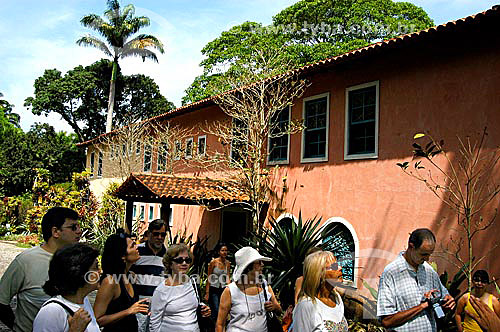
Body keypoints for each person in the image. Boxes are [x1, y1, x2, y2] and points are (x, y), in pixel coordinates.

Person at [0, 207, 82, 332]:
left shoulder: (77, 260)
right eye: (73, 227)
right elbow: (1, 301)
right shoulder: (26, 261)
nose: (79, 232)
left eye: (79, 227)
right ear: (55, 232)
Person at [377, 228, 455, 331]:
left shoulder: (429, 270)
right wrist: (423, 306)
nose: (427, 259)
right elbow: (387, 321)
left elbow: (443, 295)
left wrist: (448, 300)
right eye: (423, 254)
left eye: (429, 254)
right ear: (411, 246)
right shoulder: (391, 273)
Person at [33, 243, 101, 332]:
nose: (100, 271)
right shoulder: (51, 312)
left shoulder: (84, 301)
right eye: (96, 267)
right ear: (80, 273)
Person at [93, 229, 149, 332]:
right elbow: (97, 319)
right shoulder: (110, 281)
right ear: (123, 256)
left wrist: (140, 308)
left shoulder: (131, 276)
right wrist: (129, 311)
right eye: (132, 246)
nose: (137, 247)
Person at [216, 246, 281, 332]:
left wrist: (274, 307)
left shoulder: (264, 285)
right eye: (259, 262)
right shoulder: (230, 291)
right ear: (248, 266)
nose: (262, 264)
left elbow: (279, 310)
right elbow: (220, 324)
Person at [149, 243, 211, 331]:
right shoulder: (161, 290)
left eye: (187, 260)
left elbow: (195, 304)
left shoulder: (192, 282)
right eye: (179, 260)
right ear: (170, 264)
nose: (184, 263)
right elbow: (154, 323)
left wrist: (204, 309)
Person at [292, 251, 348, 332]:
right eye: (334, 266)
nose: (340, 268)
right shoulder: (306, 306)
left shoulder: (336, 298)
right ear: (319, 274)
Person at [130, 219, 167, 331]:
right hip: (139, 305)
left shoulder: (168, 255)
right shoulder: (136, 251)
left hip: (159, 307)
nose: (160, 237)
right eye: (156, 234)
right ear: (149, 233)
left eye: (163, 234)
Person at [205, 242, 231, 321]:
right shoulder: (214, 262)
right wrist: (207, 293)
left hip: (223, 289)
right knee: (215, 309)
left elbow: (227, 277)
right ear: (219, 252)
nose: (224, 252)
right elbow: (209, 277)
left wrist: (230, 289)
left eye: (226, 250)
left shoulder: (228, 263)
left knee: (222, 310)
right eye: (222, 250)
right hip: (214, 288)